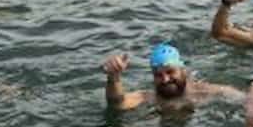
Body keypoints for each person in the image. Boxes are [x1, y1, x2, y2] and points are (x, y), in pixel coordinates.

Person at [102, 44, 241, 111]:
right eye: (158, 75)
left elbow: (243, 99)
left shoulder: (205, 92)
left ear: (183, 71)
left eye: (170, 72)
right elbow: (117, 103)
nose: (165, 79)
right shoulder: (148, 97)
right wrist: (113, 77)